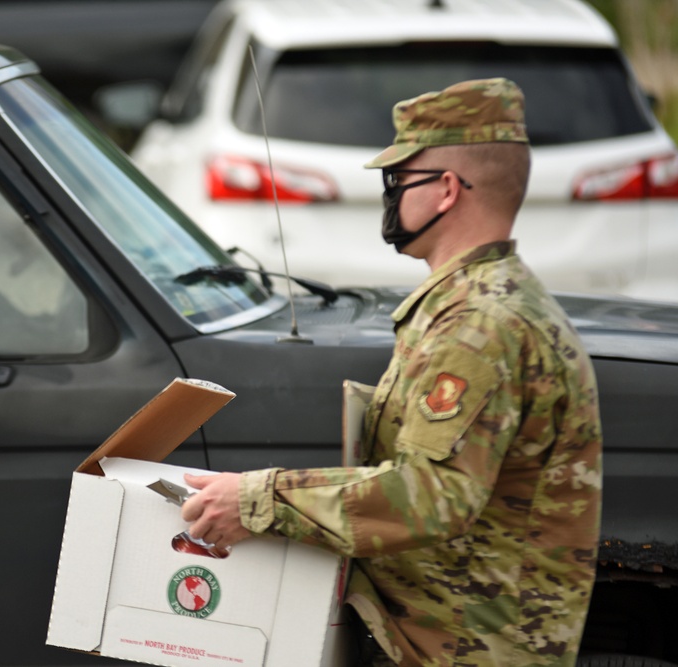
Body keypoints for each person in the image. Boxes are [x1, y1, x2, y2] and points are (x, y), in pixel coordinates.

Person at [180, 78, 603, 666]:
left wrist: (259, 500)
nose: (391, 195)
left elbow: (434, 497)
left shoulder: (479, 322)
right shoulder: (483, 300)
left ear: (446, 190)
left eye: (399, 179)